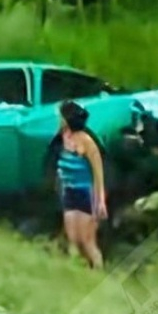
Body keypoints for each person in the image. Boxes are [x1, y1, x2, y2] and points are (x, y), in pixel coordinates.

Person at [57, 100, 107, 269]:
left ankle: (98, 272)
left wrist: (100, 201)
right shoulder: (63, 137)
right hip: (69, 191)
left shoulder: (87, 141)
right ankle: (76, 274)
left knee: (87, 242)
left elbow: (98, 173)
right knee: (73, 240)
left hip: (86, 193)